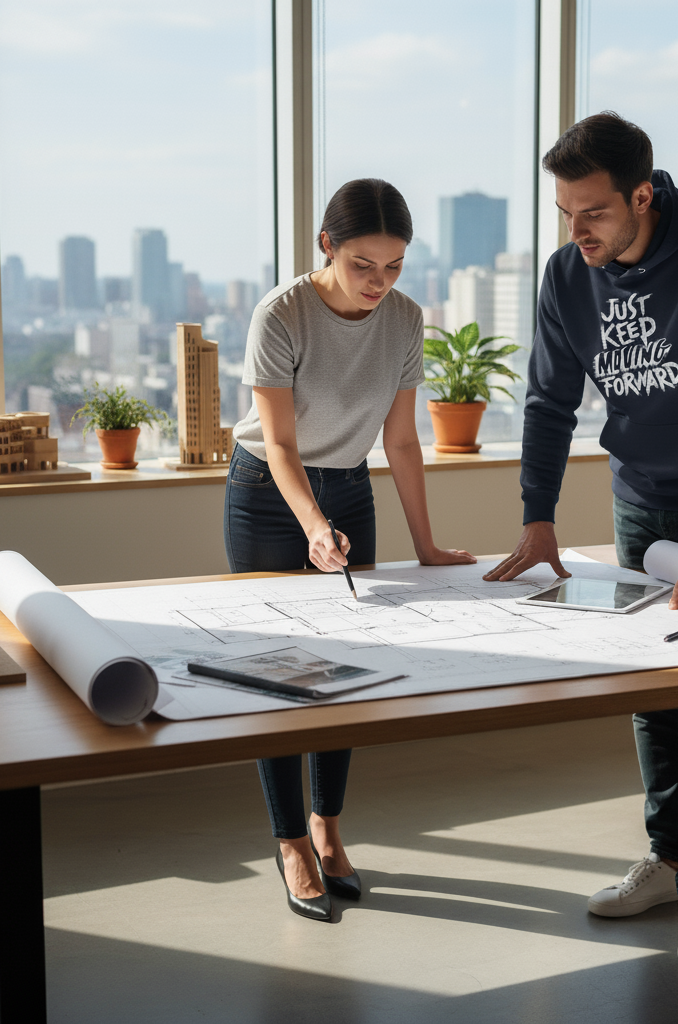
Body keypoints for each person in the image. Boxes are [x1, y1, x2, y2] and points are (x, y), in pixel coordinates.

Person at [484, 112, 678, 971]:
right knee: (649, 686)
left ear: (642, 195)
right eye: (566, 213)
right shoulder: (567, 275)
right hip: (639, 499)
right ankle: (664, 856)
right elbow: (546, 401)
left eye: (594, 214)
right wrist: (539, 516)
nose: (577, 234)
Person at [225, 178, 474, 922]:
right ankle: (290, 839)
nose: (379, 282)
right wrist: (309, 525)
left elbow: (401, 440)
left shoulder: (404, 320)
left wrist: (425, 544)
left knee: (346, 667)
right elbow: (278, 443)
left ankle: (330, 828)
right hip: (269, 493)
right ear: (326, 246)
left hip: (349, 486)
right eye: (364, 264)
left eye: (394, 266)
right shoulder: (282, 313)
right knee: (279, 673)